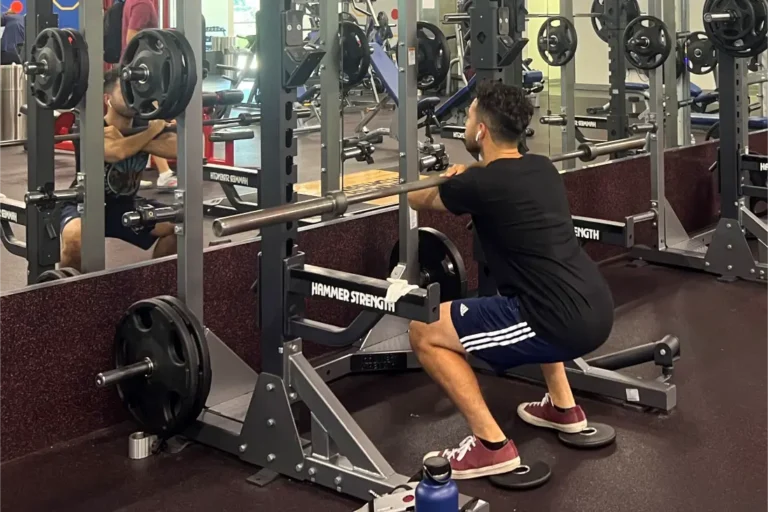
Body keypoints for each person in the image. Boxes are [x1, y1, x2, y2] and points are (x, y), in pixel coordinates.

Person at [406, 80, 615, 479]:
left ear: (481, 130)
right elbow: (495, 183)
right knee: (526, 294)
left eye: (468, 118)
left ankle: (491, 446)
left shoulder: (477, 185)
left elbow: (418, 197)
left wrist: (438, 180)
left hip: (558, 320)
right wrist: (466, 175)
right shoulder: (541, 167)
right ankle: (563, 407)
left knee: (425, 330)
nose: (466, 124)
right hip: (596, 305)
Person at [59, 68, 178, 271]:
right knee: (75, 237)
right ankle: (69, 299)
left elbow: (176, 148)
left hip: (125, 205)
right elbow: (114, 152)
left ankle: (156, 289)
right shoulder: (90, 125)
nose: (132, 96)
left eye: (134, 89)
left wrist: (132, 140)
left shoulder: (146, 124)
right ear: (108, 99)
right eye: (125, 91)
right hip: (84, 203)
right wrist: (150, 135)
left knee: (178, 224)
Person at [121, 0, 177, 190]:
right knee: (150, 120)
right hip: (140, 75)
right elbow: (132, 39)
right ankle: (163, 172)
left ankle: (132, 174)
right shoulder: (143, 4)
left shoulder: (134, 1)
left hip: (133, 71)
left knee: (140, 121)